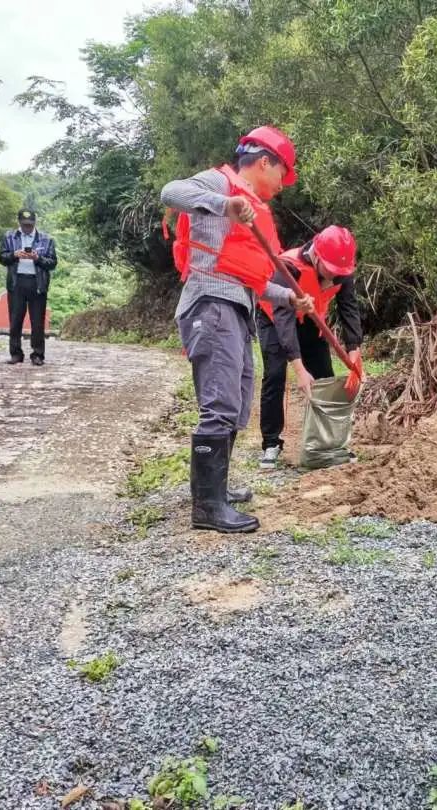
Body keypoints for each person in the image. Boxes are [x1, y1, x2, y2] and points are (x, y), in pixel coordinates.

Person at [161, 125, 314, 533]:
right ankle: (207, 507)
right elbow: (170, 192)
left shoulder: (253, 209)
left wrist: (289, 298)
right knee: (220, 403)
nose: (283, 185)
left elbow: (251, 279)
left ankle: (217, 490)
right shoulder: (221, 184)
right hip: (211, 306)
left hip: (236, 308)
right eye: (283, 174)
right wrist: (223, 204)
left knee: (238, 401)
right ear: (265, 162)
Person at [257, 225, 363, 467]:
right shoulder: (289, 267)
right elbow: (283, 319)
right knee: (274, 374)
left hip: (311, 319)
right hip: (274, 318)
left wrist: (354, 350)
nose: (335, 276)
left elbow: (349, 308)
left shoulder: (342, 270)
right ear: (316, 255)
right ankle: (271, 442)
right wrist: (299, 368)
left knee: (325, 376)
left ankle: (330, 443)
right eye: (330, 270)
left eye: (339, 272)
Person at [0, 209, 57, 366]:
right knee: (15, 320)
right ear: (19, 223)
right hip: (17, 283)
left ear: (35, 223)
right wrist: (14, 255)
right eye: (24, 225)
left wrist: (37, 258)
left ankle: (37, 354)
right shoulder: (9, 237)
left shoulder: (46, 239)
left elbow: (52, 263)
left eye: (30, 225)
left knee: (37, 322)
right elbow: (2, 258)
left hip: (38, 283)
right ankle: (16, 354)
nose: (27, 228)